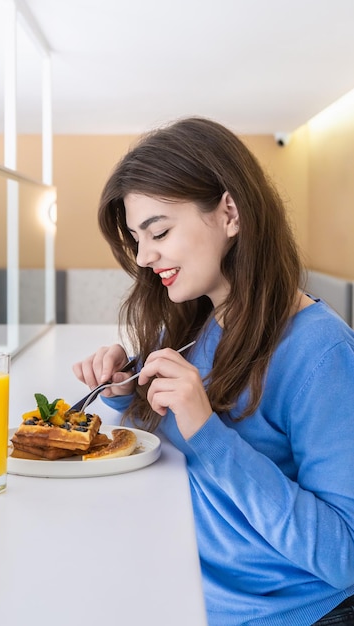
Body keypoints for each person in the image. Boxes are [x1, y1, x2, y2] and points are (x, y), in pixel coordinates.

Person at [72, 117, 354, 625]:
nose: (143, 256)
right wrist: (122, 390)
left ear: (230, 213)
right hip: (191, 599)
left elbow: (344, 557)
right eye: (137, 237)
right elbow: (175, 455)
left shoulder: (322, 352)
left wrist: (208, 429)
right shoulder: (193, 319)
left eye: (158, 231)